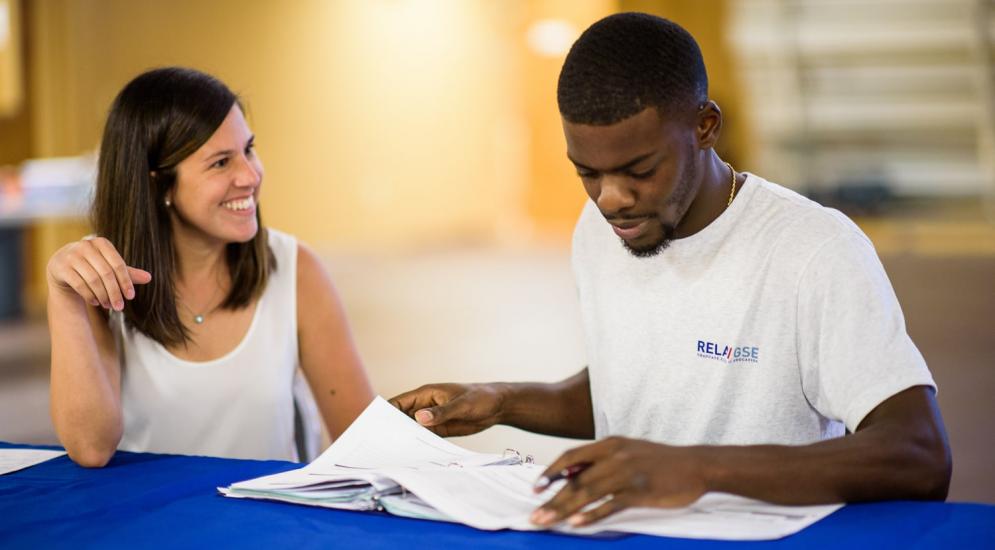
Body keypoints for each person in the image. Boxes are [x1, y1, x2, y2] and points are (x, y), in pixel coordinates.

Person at [390, 13, 951, 527]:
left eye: (639, 170)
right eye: (587, 172)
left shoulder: (812, 249)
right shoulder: (600, 231)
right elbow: (638, 388)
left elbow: (919, 453)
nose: (611, 199)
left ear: (705, 126)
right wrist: (503, 399)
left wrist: (695, 469)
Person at [47, 67, 374, 467]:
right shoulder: (102, 279)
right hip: (150, 526)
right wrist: (64, 298)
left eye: (248, 150)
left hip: (266, 524)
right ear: (158, 184)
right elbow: (91, 449)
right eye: (221, 163)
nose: (250, 176)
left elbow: (364, 444)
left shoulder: (295, 268)